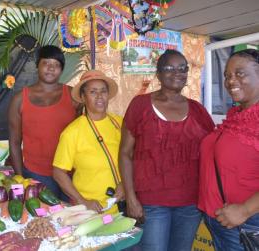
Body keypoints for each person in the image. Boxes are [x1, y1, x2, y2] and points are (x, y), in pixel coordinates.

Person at [120, 49, 215, 251]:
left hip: (190, 203)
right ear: (158, 73)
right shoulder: (140, 105)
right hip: (152, 203)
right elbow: (125, 154)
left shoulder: (198, 110)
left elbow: (212, 153)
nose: (177, 73)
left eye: (182, 68)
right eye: (169, 68)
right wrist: (131, 197)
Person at [198, 49, 259, 251]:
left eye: (240, 73)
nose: (231, 81)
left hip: (244, 222)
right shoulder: (236, 115)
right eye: (227, 75)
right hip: (220, 219)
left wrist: (244, 210)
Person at [8, 45, 80, 199]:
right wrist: (21, 177)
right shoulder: (19, 99)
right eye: (46, 63)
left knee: (72, 219)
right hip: (36, 174)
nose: (51, 68)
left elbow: (83, 135)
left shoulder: (73, 96)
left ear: (61, 70)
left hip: (70, 174)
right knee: (43, 221)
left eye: (56, 65)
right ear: (37, 66)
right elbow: (14, 142)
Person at [53, 70, 124, 213]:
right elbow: (58, 172)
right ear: (83, 97)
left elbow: (133, 157)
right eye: (93, 92)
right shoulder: (72, 132)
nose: (99, 97)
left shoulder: (119, 122)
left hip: (122, 203)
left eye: (103, 91)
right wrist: (82, 201)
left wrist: (125, 184)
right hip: (92, 210)